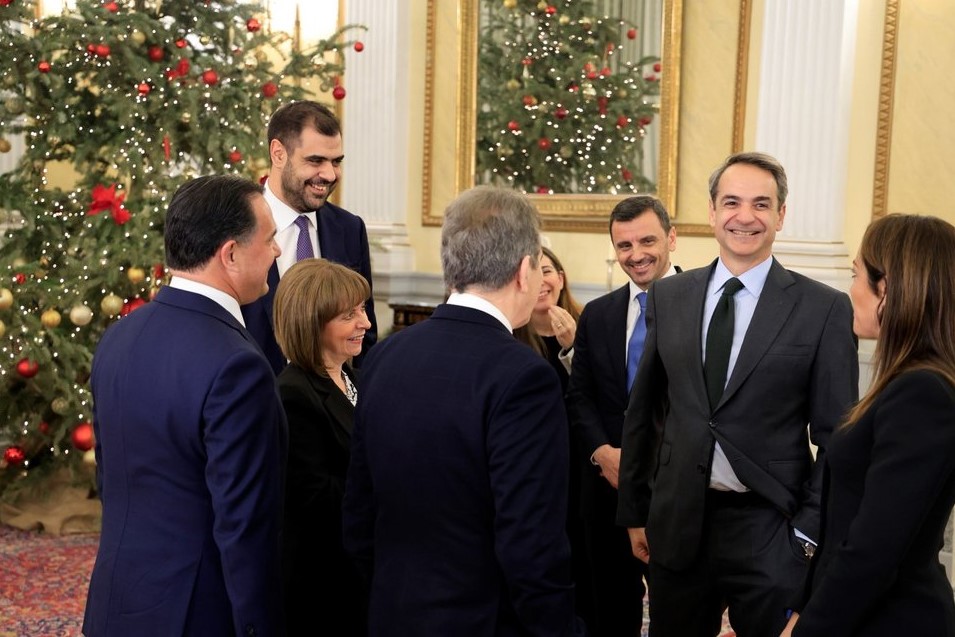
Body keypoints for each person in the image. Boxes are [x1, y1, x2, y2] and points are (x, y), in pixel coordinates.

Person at [616, 151, 859, 637]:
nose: (744, 216)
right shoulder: (669, 296)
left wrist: (807, 534)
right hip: (678, 524)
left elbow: (838, 438)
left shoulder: (824, 309)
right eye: (731, 202)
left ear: (781, 215)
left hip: (770, 531)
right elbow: (645, 412)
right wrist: (635, 511)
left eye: (761, 204)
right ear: (712, 212)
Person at [342, 185, 585, 637]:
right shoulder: (524, 376)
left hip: (394, 613)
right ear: (524, 271)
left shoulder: (387, 355)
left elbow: (359, 515)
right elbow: (531, 543)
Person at [83, 175, 287, 636]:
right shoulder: (239, 365)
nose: (277, 251)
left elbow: (112, 482)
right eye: (270, 239)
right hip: (198, 613)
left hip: (115, 602)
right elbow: (245, 529)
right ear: (230, 254)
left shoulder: (118, 337)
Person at [781, 214, 955, 636]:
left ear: (888, 288)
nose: (851, 289)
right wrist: (801, 610)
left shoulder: (922, 393)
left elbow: (873, 551)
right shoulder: (906, 383)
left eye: (856, 275)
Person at [566, 195, 678, 636]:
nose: (636, 255)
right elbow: (580, 395)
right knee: (608, 612)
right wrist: (602, 453)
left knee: (679, 613)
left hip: (675, 492)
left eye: (647, 241)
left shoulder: (703, 307)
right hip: (606, 490)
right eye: (624, 245)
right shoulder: (598, 314)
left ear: (671, 238)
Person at [272, 257, 372, 636]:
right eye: (349, 315)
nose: (365, 323)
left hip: (356, 571)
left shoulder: (357, 379)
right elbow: (318, 502)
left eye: (362, 309)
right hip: (323, 586)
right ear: (312, 323)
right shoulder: (293, 394)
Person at [241, 100, 377, 374]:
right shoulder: (237, 226)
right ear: (278, 154)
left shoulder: (349, 229)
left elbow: (365, 337)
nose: (329, 174)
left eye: (336, 162)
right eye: (315, 161)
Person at [514, 246, 593, 627]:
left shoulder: (590, 324)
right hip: (537, 464)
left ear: (561, 278)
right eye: (535, 272)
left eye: (548, 270)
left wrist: (573, 347)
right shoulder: (511, 336)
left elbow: (602, 397)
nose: (543, 280)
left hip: (583, 462)